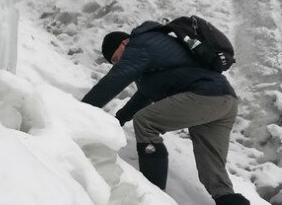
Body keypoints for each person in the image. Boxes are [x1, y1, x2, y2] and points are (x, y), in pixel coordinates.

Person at [81, 20, 250, 205]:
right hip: (225, 100)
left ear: (124, 43)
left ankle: (154, 194)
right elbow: (145, 95)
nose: (117, 63)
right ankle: (229, 200)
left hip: (205, 95)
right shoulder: (151, 58)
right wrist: (119, 118)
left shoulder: (140, 44)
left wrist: (81, 109)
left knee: (145, 122)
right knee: (211, 167)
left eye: (115, 58)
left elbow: (115, 79)